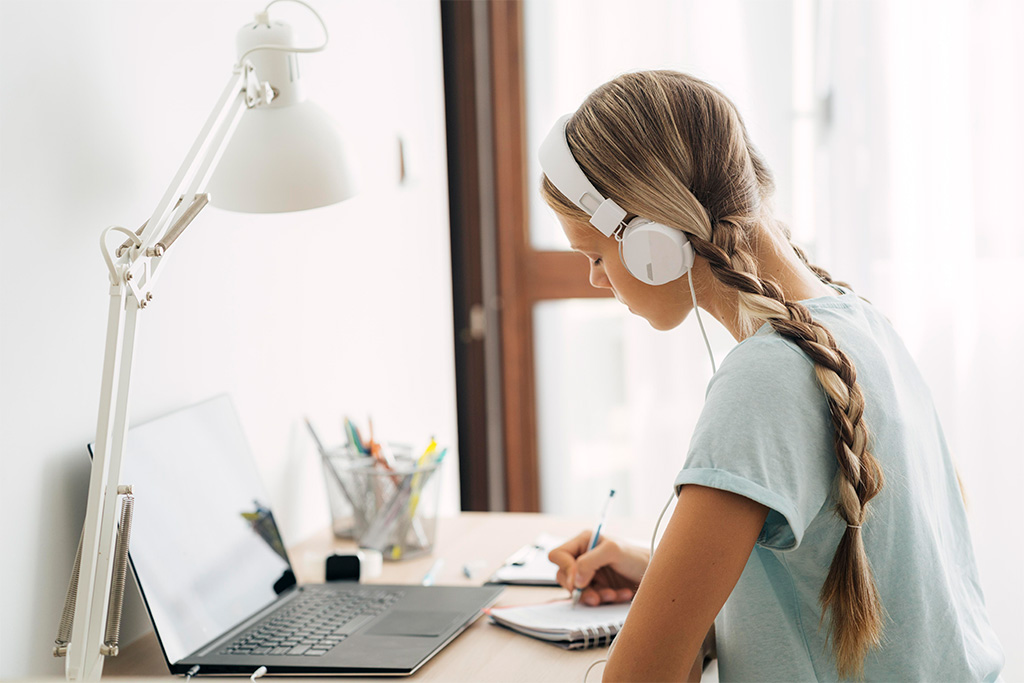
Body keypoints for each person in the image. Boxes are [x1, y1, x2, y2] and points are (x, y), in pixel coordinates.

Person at [540, 70, 1004, 682]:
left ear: (652, 239)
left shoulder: (766, 377)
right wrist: (659, 574)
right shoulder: (857, 320)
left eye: (595, 255)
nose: (598, 280)